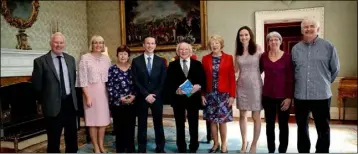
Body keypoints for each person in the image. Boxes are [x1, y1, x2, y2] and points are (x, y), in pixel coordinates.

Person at [292, 18, 340, 153]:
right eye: (305, 27)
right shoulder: (296, 49)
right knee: (301, 127)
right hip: (301, 95)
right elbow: (293, 71)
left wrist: (323, 83)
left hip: (321, 95)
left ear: (317, 29)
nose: (308, 29)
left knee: (323, 127)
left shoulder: (328, 46)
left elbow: (335, 69)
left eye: (312, 26)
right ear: (302, 30)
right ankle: (303, 151)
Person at [31, 32, 78, 153]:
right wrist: (44, 103)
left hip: (70, 103)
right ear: (50, 43)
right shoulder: (40, 62)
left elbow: (72, 80)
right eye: (56, 42)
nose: (59, 45)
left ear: (64, 44)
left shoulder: (71, 59)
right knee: (53, 140)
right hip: (52, 106)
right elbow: (37, 86)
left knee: (72, 137)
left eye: (61, 42)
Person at [164, 42, 206, 153]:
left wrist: (198, 86)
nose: (183, 51)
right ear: (178, 51)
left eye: (186, 49)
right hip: (178, 99)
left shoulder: (197, 64)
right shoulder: (172, 65)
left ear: (190, 51)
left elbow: (202, 80)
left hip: (193, 98)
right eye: (181, 49)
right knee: (179, 124)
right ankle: (181, 146)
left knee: (193, 123)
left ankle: (193, 146)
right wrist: (175, 90)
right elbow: (168, 82)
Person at [76, 35, 111, 153]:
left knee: (102, 121)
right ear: (92, 44)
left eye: (101, 43)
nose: (98, 45)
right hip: (90, 93)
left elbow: (110, 77)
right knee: (92, 122)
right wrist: (87, 96)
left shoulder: (107, 59)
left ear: (103, 45)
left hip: (103, 93)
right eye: (95, 43)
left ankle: (101, 145)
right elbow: (82, 79)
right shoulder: (85, 58)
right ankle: (95, 146)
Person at [260, 31, 294, 153]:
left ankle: (282, 149)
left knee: (283, 125)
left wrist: (289, 97)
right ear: (268, 42)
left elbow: (290, 78)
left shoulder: (287, 57)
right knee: (269, 125)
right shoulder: (263, 56)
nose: (273, 41)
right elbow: (256, 73)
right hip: (267, 95)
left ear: (280, 41)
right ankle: (271, 149)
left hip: (283, 97)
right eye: (270, 40)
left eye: (276, 39)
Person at [131, 36, 167, 153]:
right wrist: (146, 94)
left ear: (155, 45)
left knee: (158, 123)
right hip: (142, 97)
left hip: (157, 97)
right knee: (142, 124)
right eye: (148, 43)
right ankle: (142, 148)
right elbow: (135, 80)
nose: (150, 45)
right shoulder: (136, 61)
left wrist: (154, 94)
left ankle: (160, 147)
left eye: (152, 43)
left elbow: (163, 80)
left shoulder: (161, 61)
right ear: (143, 45)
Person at [202, 35, 236, 153]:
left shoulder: (228, 57)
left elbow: (232, 78)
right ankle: (215, 144)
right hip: (210, 94)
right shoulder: (205, 59)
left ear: (221, 44)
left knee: (222, 121)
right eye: (212, 43)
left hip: (224, 94)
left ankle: (224, 144)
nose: (214, 45)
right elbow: (203, 78)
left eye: (217, 43)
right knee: (212, 120)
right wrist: (202, 94)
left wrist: (232, 95)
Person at [235, 26, 263, 153]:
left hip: (256, 85)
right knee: (242, 115)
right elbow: (235, 70)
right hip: (241, 85)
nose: (244, 37)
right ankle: (244, 142)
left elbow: (263, 65)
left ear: (250, 35)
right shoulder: (238, 51)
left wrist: (254, 76)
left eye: (246, 34)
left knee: (256, 115)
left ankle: (254, 144)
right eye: (241, 35)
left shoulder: (258, 48)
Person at [106, 45, 136, 153]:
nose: (123, 56)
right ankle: (120, 149)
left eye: (125, 54)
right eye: (120, 54)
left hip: (132, 102)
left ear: (128, 56)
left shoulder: (133, 68)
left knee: (130, 127)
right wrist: (120, 98)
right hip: (117, 103)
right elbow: (110, 86)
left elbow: (137, 85)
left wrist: (133, 96)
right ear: (117, 55)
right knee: (119, 128)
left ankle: (130, 149)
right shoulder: (112, 69)